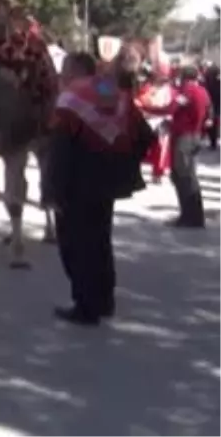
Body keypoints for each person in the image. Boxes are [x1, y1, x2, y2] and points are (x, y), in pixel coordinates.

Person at [44, 52, 152, 325]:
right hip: (107, 184)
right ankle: (105, 300)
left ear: (74, 71)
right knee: (101, 242)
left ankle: (85, 306)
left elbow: (60, 148)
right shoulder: (110, 89)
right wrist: (123, 162)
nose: (62, 76)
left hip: (77, 185)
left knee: (75, 245)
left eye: (65, 70)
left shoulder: (71, 98)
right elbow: (145, 134)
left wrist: (52, 189)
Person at [148, 65, 210, 228]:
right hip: (195, 136)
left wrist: (147, 108)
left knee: (182, 177)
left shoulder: (187, 90)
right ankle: (195, 216)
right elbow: (207, 112)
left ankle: (189, 217)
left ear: (183, 77)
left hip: (184, 137)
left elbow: (171, 108)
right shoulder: (203, 91)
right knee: (190, 177)